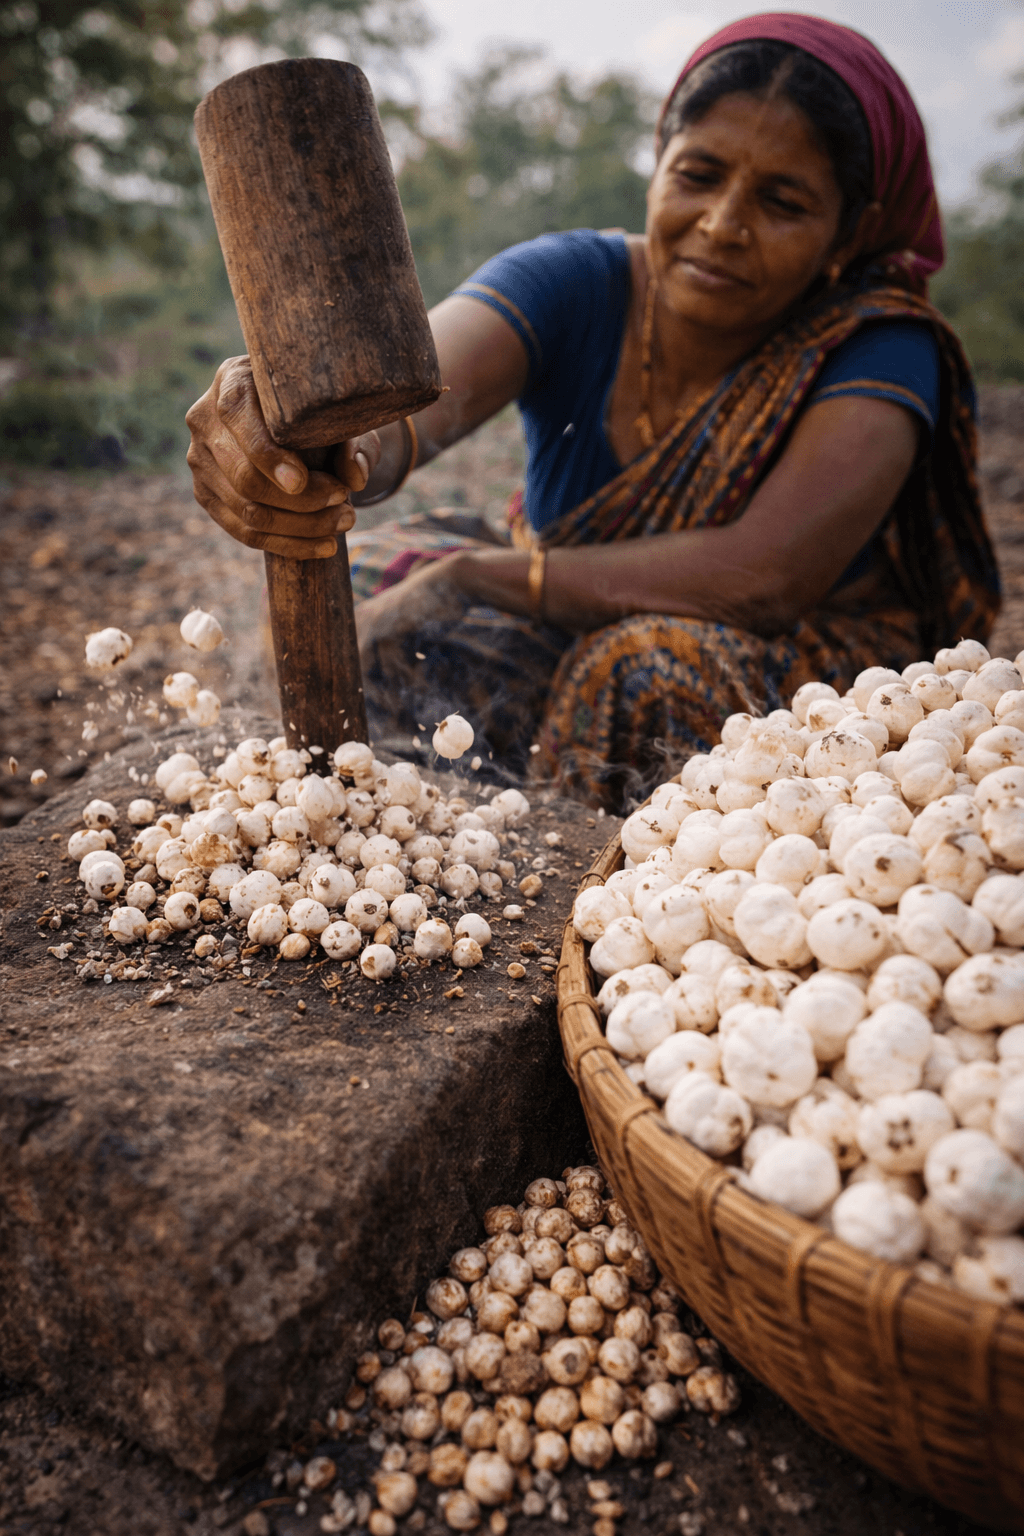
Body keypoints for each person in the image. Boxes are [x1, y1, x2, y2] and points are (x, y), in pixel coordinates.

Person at [186, 12, 1000, 811]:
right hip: (570, 607)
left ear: (853, 232)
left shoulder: (881, 348)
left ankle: (595, 863)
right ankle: (381, 817)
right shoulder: (576, 281)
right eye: (698, 175)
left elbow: (763, 580)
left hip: (802, 661)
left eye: (782, 201)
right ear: (658, 163)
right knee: (363, 574)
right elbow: (396, 415)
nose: (722, 225)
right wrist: (308, 447)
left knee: (637, 672)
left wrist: (476, 577)